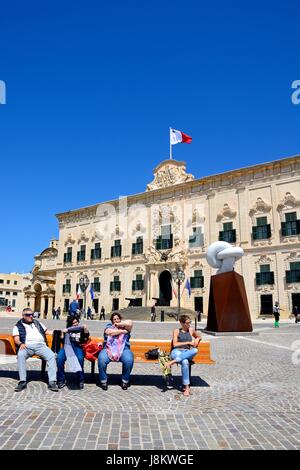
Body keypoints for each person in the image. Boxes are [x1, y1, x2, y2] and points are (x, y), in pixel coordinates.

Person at [12, 308, 58, 392]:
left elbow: (47, 331)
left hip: (41, 346)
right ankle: (22, 381)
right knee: (20, 355)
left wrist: (58, 332)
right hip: (26, 346)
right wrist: (20, 344)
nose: (31, 316)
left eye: (32, 315)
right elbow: (16, 339)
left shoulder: (37, 323)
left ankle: (52, 381)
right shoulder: (17, 326)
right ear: (23, 316)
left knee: (51, 356)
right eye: (28, 315)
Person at [166, 314, 201, 397]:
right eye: (188, 323)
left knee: (195, 350)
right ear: (182, 323)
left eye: (190, 322)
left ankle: (172, 362)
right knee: (185, 361)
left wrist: (198, 339)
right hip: (176, 351)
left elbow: (198, 337)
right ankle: (187, 387)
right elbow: (175, 344)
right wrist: (188, 342)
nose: (189, 324)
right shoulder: (177, 331)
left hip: (186, 352)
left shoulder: (191, 330)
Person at [98, 312, 133, 390]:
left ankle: (125, 381)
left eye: (118, 319)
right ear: (112, 321)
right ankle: (103, 380)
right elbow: (110, 332)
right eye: (114, 319)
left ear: (120, 319)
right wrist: (123, 331)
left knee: (129, 360)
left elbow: (130, 323)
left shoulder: (126, 326)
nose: (116, 320)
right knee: (101, 359)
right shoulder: (109, 326)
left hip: (124, 349)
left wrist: (120, 324)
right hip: (108, 349)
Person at [56, 315, 90, 389]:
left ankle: (80, 379)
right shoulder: (67, 330)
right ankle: (61, 379)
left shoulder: (80, 329)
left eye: (76, 322)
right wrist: (62, 333)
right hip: (67, 347)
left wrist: (85, 329)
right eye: (73, 323)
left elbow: (86, 336)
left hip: (77, 347)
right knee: (59, 358)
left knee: (80, 359)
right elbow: (62, 341)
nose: (75, 324)